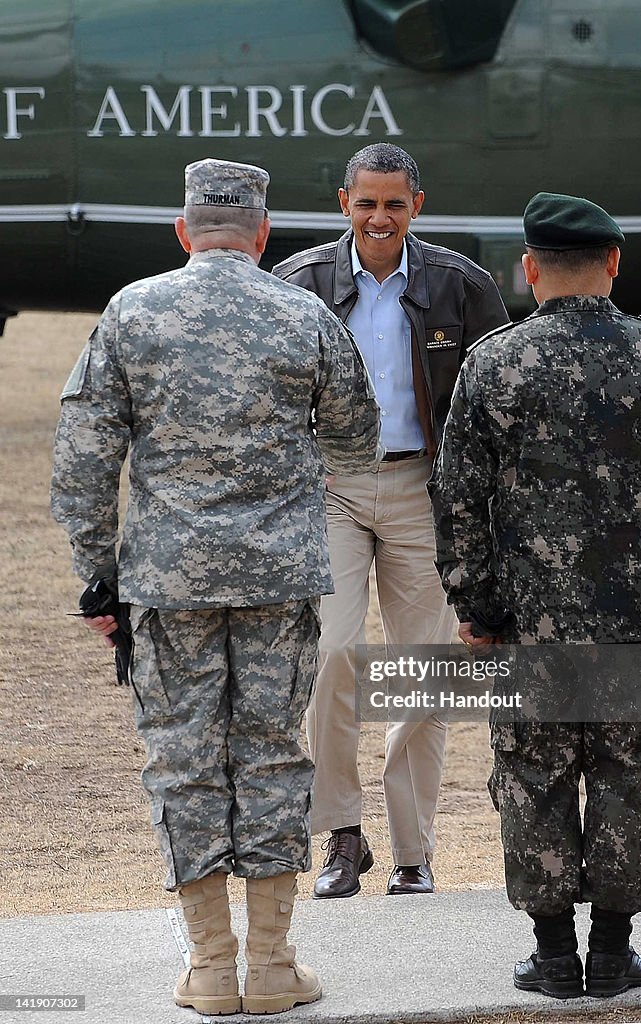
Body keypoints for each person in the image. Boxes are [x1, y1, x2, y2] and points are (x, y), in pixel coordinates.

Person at [51, 158, 381, 1016]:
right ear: (263, 234)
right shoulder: (302, 310)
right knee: (273, 752)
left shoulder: (133, 311)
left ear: (183, 230)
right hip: (279, 579)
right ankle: (272, 967)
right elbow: (355, 436)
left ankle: (209, 968)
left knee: (185, 758)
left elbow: (84, 459)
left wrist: (100, 578)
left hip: (167, 582)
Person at [429, 192, 641, 998]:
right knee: (630, 775)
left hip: (527, 628)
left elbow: (456, 495)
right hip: (634, 623)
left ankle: (552, 952)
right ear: (613, 263)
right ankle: (611, 950)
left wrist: (475, 604)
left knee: (531, 774)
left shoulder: (492, 362)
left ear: (528, 269)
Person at [272, 143, 508, 898]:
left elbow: (497, 401)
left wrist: (482, 507)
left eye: (394, 204)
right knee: (333, 658)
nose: (379, 217)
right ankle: (341, 836)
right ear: (343, 202)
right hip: (333, 489)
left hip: (423, 491)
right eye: (366, 202)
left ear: (417, 206)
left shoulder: (460, 285)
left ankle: (413, 851)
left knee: (423, 672)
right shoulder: (298, 283)